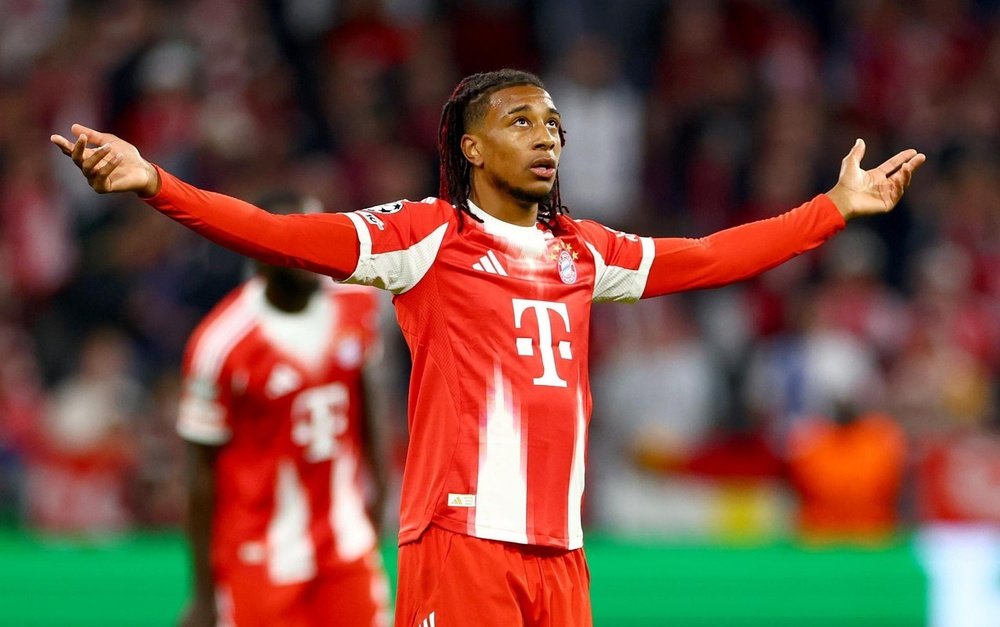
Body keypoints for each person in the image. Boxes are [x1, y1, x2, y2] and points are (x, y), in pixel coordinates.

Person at [52, 68, 924, 626]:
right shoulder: (425, 237)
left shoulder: (582, 251)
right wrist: (156, 182)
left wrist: (832, 209)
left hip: (562, 550)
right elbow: (278, 234)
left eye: (553, 123)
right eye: (520, 121)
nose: (545, 136)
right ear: (470, 147)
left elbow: (707, 256)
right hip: (461, 538)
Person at [174, 190, 391, 627]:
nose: (313, 251)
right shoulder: (221, 343)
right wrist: (202, 591)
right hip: (262, 556)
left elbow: (371, 408)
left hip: (345, 547)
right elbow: (200, 471)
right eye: (298, 236)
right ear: (263, 248)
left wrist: (378, 500)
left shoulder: (355, 303)